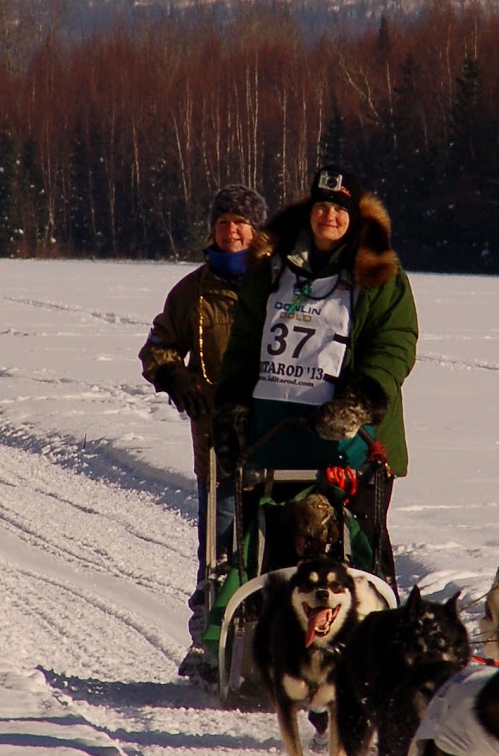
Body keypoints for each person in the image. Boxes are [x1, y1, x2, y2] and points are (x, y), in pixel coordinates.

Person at [213, 164, 418, 588]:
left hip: (353, 446)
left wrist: (362, 399)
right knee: (270, 561)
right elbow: (245, 342)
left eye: (340, 210)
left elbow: (395, 343)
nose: (330, 216)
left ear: (355, 217)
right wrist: (232, 403)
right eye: (322, 206)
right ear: (309, 211)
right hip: (275, 441)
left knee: (363, 565)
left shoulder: (381, 276)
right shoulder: (269, 267)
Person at [139, 182, 268, 678]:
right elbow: (159, 347)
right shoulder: (193, 291)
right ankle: (209, 640)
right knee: (220, 544)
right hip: (217, 442)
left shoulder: (280, 283)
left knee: (276, 541)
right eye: (223, 223)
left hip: (278, 435)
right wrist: (176, 376)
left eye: (240, 223)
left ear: (256, 232)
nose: (231, 231)